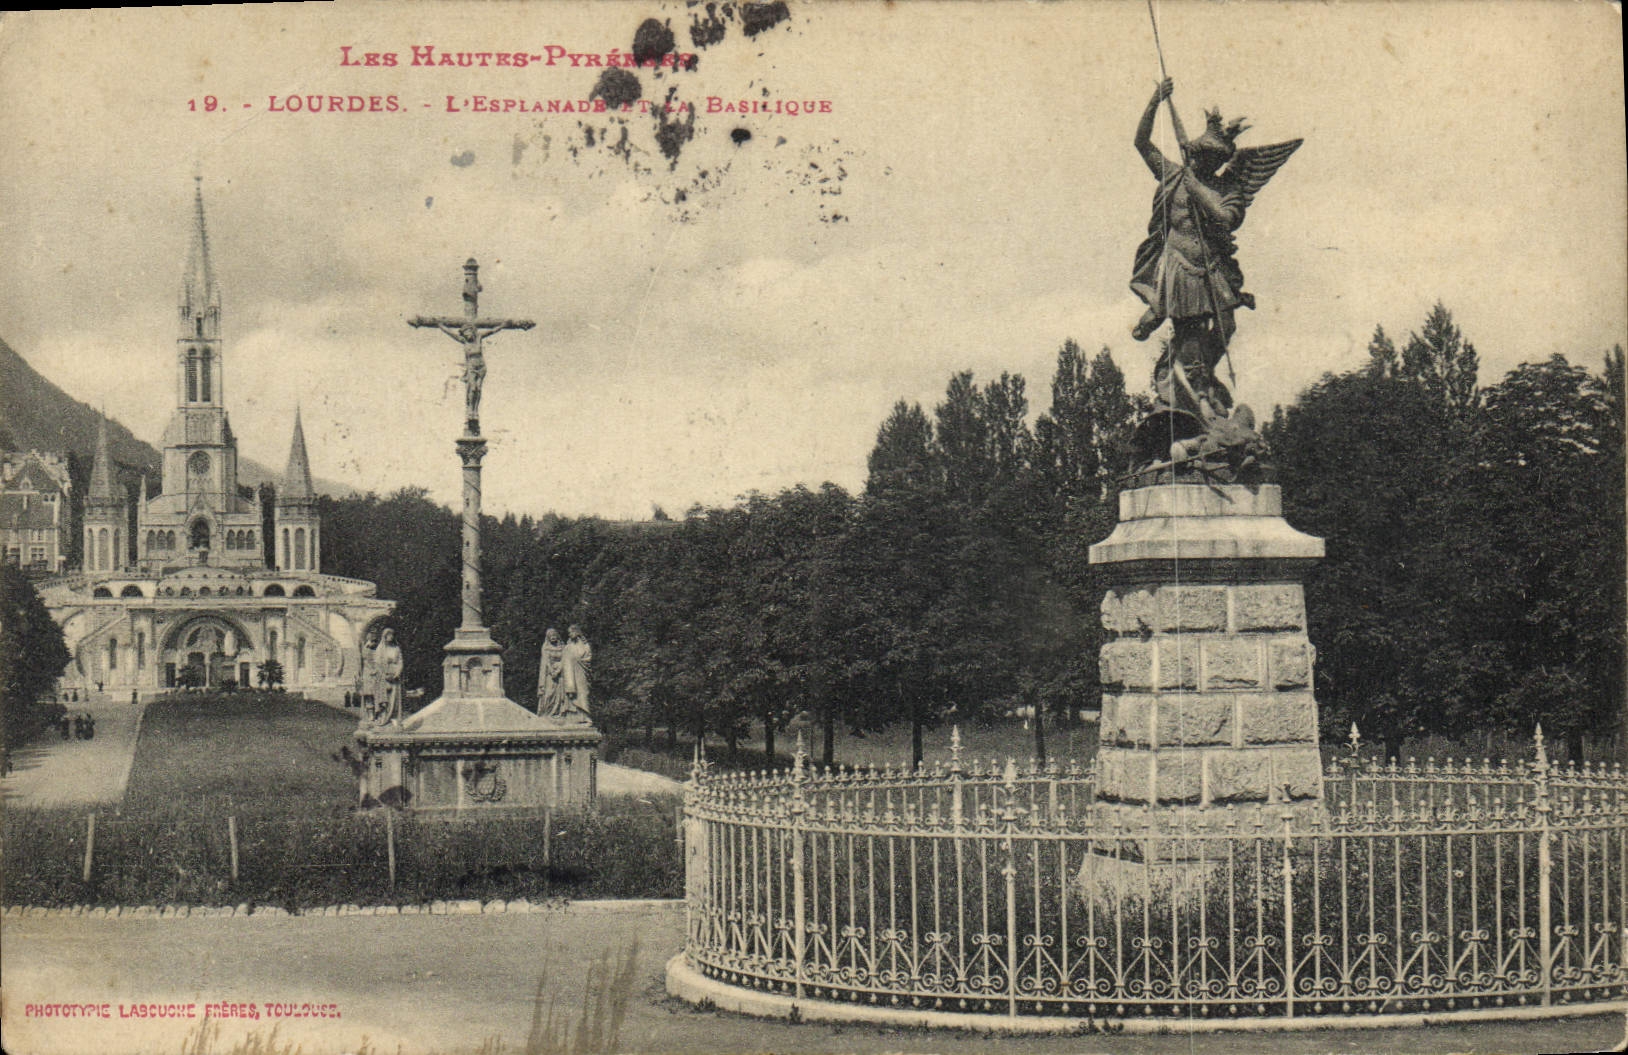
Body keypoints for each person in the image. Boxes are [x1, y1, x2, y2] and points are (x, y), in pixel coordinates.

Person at [1129, 77, 1300, 419]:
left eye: (1211, 161)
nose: (1205, 163)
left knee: (1227, 327)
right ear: (1195, 153)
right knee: (1191, 331)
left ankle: (1196, 374)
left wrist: (1199, 189)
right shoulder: (1173, 176)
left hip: (1212, 267)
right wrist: (1154, 102)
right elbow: (1141, 143)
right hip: (1179, 266)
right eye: (1201, 157)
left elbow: (1226, 219)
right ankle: (1197, 392)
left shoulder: (1226, 188)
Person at [561, 625, 593, 723]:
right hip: (570, 675)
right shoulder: (568, 647)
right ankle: (574, 717)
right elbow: (564, 662)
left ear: (577, 632)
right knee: (572, 696)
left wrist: (579, 660)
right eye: (569, 633)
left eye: (571, 632)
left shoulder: (585, 646)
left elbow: (588, 658)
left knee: (583, 693)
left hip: (581, 673)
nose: (570, 634)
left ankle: (585, 716)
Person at [374, 628, 405, 724]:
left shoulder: (396, 648)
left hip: (395, 676)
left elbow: (400, 661)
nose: (391, 637)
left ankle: (393, 718)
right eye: (389, 635)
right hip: (384, 677)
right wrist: (384, 674)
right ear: (385, 636)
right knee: (384, 699)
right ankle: (383, 717)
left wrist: (397, 673)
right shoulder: (380, 649)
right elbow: (378, 663)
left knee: (394, 698)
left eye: (392, 635)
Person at [537, 628, 566, 717]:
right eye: (551, 635)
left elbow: (564, 660)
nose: (553, 637)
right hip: (549, 674)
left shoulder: (562, 647)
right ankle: (546, 713)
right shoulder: (546, 647)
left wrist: (558, 671)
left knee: (559, 695)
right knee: (549, 693)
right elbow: (546, 661)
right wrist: (552, 671)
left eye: (554, 635)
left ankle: (557, 712)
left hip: (560, 673)